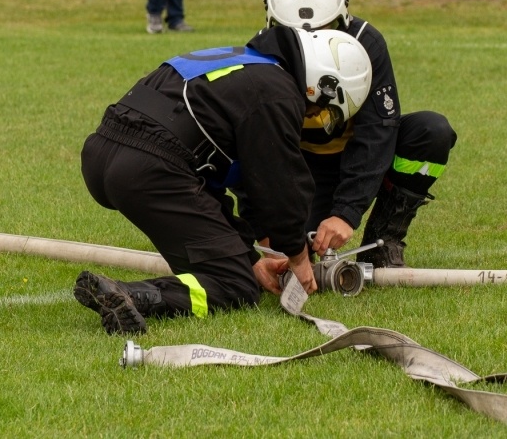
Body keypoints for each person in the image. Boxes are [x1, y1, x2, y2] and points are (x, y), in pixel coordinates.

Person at [74, 26, 372, 334]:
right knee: (236, 286)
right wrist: (298, 257)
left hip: (105, 154)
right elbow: (279, 185)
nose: (312, 117)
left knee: (239, 270)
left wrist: (251, 258)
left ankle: (205, 275)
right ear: (322, 85)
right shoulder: (278, 93)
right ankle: (130, 294)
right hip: (149, 170)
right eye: (323, 111)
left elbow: (203, 179)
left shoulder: (247, 65)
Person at [241, 0, 458, 271]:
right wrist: (266, 232)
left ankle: (384, 241)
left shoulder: (367, 43)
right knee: (295, 254)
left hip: (355, 155)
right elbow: (255, 149)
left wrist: (346, 213)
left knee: (432, 132)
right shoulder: (260, 52)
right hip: (301, 169)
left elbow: (378, 130)